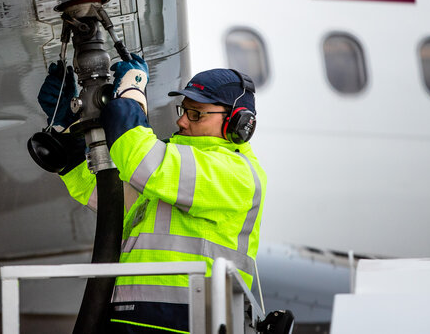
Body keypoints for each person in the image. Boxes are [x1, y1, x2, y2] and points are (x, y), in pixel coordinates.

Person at [37, 55, 266, 333]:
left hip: (188, 322)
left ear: (237, 123)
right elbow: (112, 201)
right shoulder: (175, 174)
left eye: (196, 114)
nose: (182, 122)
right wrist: (69, 138)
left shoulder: (236, 173)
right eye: (184, 110)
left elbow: (142, 159)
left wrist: (132, 92)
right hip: (139, 319)